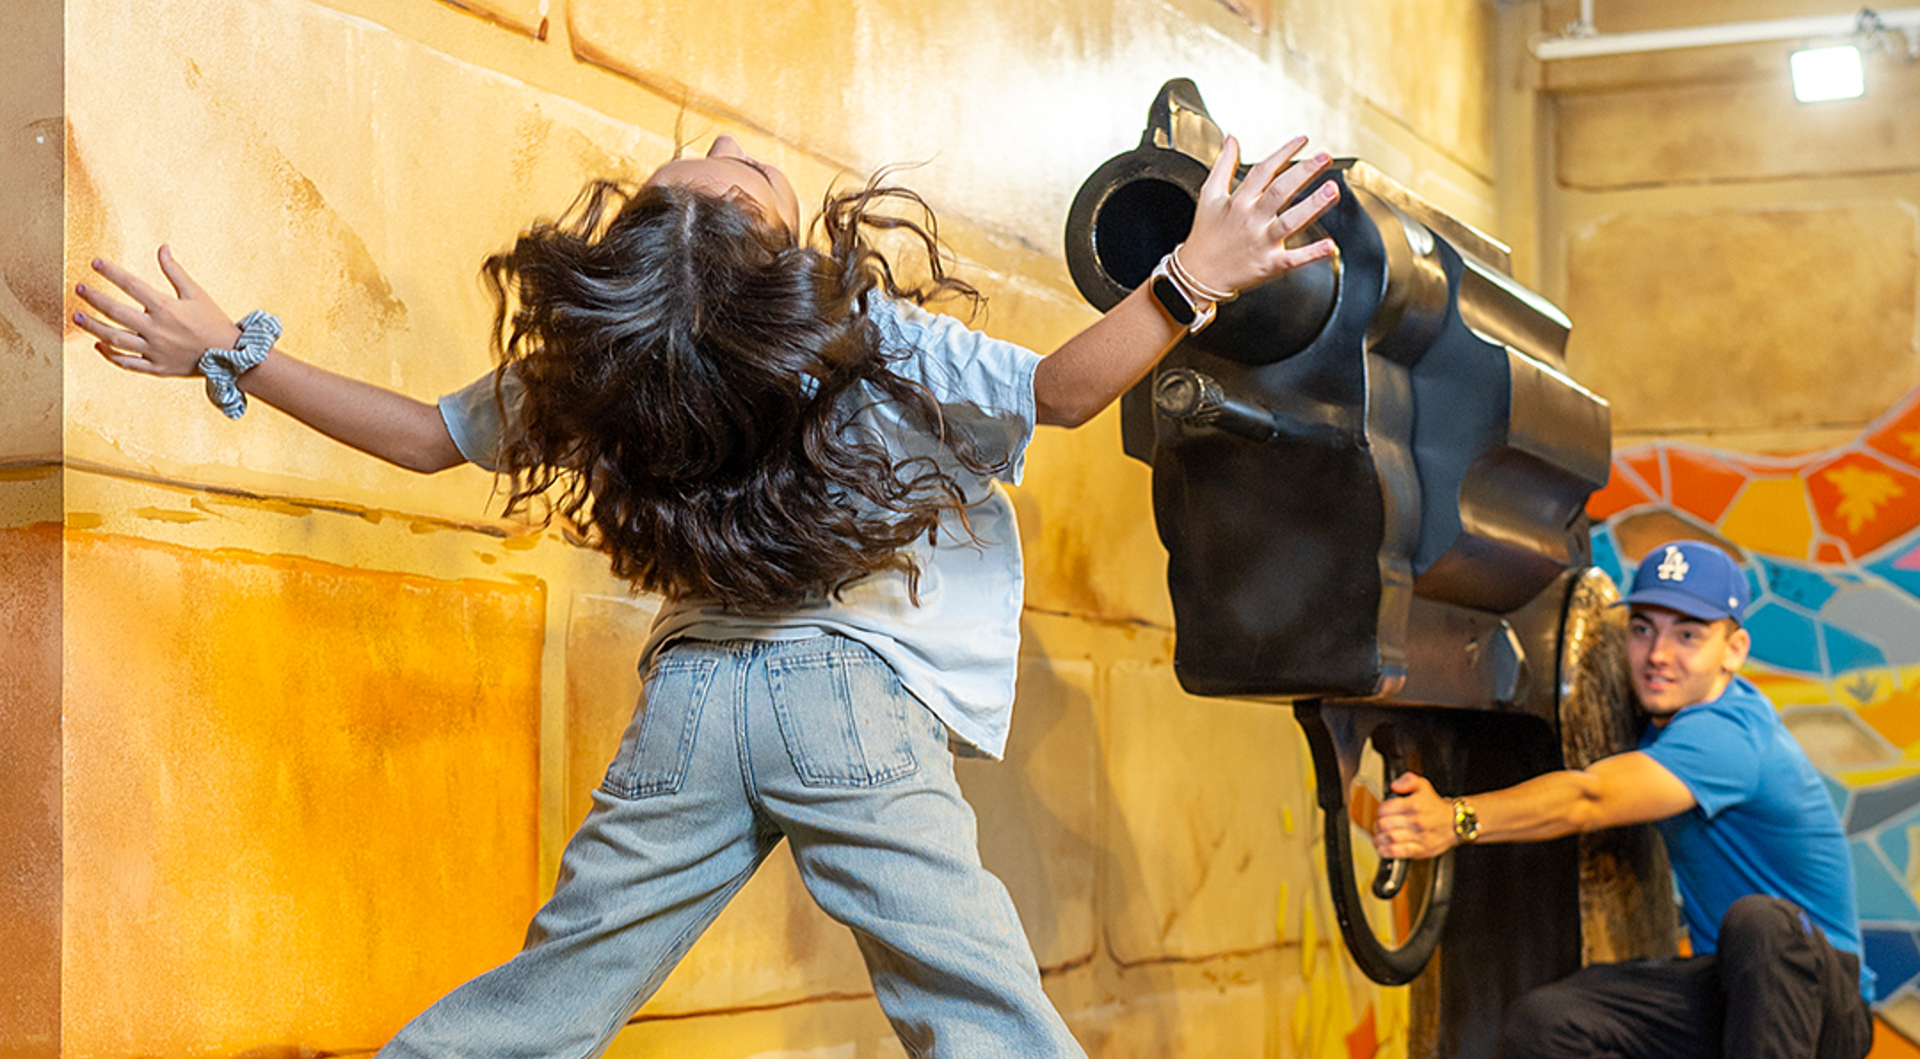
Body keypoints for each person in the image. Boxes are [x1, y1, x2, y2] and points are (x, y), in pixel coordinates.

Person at [72, 130, 1341, 1058]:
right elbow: (1062, 393)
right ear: (765, 264)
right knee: (983, 1021)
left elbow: (419, 437)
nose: (733, 145)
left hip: (690, 710)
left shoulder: (607, 369)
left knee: (538, 1011)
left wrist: (230, 353)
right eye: (734, 178)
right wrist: (1193, 276)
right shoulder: (852, 331)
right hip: (848, 706)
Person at [1373, 538, 1874, 1059]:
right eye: (1643, 630)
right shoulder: (1664, 722)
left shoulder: (1730, 736)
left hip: (1822, 1005)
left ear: (1734, 651)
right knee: (1551, 1022)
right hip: (1733, 992)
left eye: (1687, 635)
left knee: (1760, 923)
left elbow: (1591, 796)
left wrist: (1457, 818)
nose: (1658, 655)